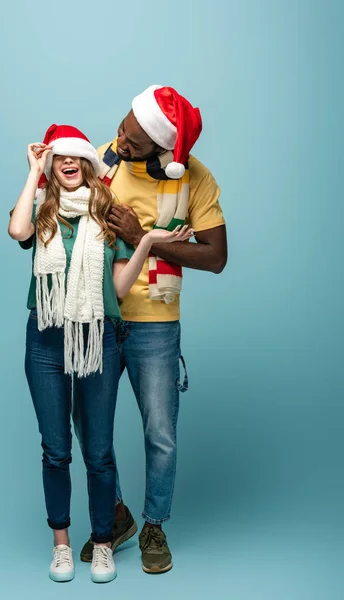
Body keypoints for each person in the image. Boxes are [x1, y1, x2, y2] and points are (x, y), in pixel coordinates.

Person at [8, 123, 193, 584]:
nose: (69, 163)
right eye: (59, 158)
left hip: (98, 339)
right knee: (55, 450)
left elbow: (116, 287)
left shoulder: (108, 213)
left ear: (89, 165)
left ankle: (105, 541)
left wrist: (147, 242)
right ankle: (62, 545)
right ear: (54, 166)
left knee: (99, 450)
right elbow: (16, 229)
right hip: (47, 339)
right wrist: (34, 171)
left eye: (76, 157)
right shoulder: (41, 212)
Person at [78, 85, 228, 574]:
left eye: (136, 141)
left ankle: (154, 523)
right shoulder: (104, 159)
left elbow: (216, 256)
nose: (121, 140)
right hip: (100, 316)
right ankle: (116, 514)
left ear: (166, 153)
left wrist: (144, 239)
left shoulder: (194, 179)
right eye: (124, 125)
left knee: (160, 432)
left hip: (156, 326)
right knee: (91, 428)